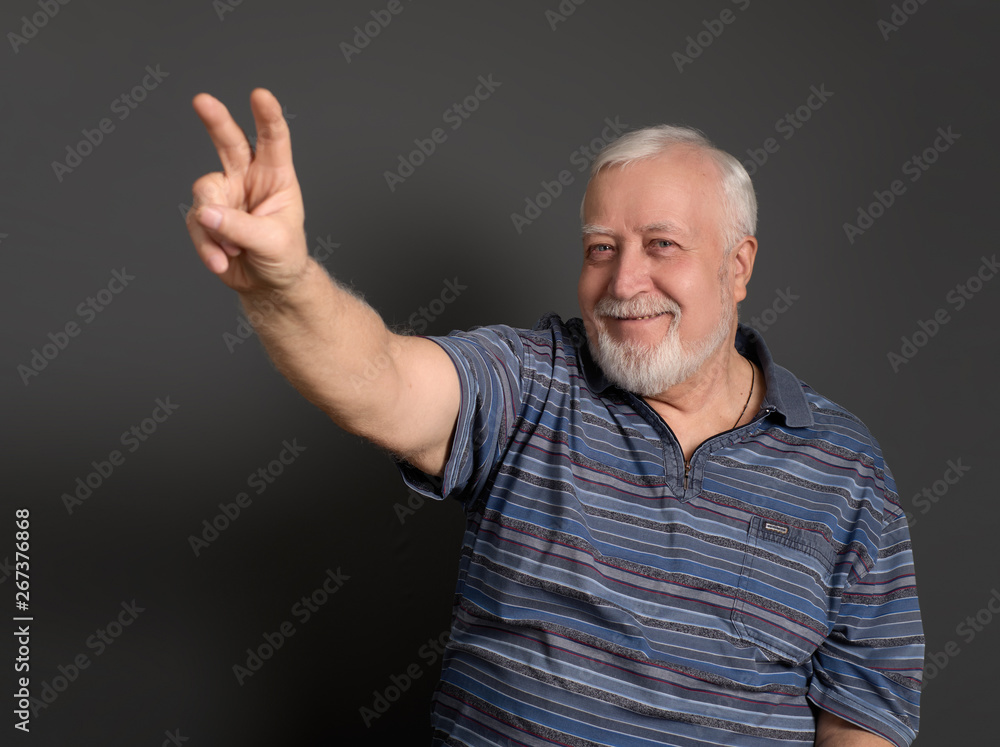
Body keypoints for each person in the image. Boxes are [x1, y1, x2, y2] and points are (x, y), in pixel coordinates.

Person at [186, 88, 923, 746]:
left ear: (738, 264)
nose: (624, 280)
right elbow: (377, 379)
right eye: (602, 248)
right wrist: (283, 283)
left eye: (661, 244)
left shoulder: (845, 467)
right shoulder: (532, 382)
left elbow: (864, 711)